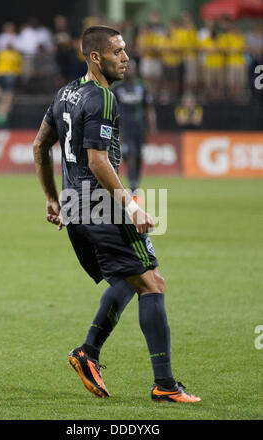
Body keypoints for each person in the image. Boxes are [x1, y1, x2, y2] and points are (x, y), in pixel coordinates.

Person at [33, 25, 201, 403]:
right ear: (96, 57)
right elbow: (96, 161)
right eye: (117, 51)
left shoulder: (64, 94)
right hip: (100, 205)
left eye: (125, 51)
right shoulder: (103, 98)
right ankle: (165, 385)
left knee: (127, 281)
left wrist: (51, 198)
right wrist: (130, 206)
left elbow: (39, 145)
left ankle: (87, 353)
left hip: (75, 208)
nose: (126, 58)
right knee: (153, 282)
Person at [112, 59, 156, 193]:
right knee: (130, 153)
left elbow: (148, 108)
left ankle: (135, 182)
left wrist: (152, 126)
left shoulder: (142, 87)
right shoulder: (116, 88)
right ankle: (132, 182)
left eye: (131, 68)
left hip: (140, 128)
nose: (129, 71)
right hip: (124, 129)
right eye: (127, 68)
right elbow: (111, 109)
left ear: (135, 71)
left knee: (139, 156)